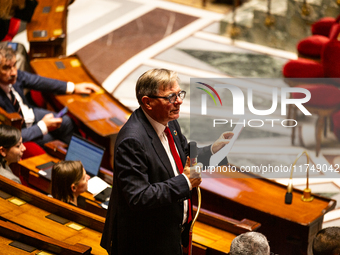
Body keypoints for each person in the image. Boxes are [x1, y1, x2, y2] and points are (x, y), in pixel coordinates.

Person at [101, 68, 233, 255]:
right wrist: (186, 182)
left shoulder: (169, 121)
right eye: (171, 97)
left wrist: (213, 150)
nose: (178, 101)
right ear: (148, 102)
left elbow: (183, 154)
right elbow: (138, 197)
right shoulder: (132, 141)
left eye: (179, 94)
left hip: (168, 233)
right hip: (144, 243)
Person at [0, 46, 100, 147]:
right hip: (21, 131)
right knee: (55, 143)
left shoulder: (13, 75)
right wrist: (42, 126)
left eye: (14, 65)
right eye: (6, 68)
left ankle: (81, 155)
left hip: (29, 114)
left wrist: (73, 87)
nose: (13, 72)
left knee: (66, 122)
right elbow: (6, 137)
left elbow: (39, 82)